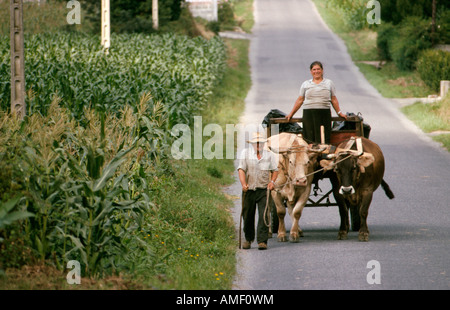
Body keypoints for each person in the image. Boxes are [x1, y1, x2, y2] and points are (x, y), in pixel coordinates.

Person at [286, 61, 347, 144]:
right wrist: (291, 114)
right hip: (309, 113)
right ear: (311, 72)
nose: (316, 71)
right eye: (314, 69)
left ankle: (323, 155)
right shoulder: (306, 84)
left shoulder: (329, 83)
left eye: (318, 69)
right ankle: (311, 155)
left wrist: (339, 113)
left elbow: (333, 99)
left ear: (322, 70)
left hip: (324, 113)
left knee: (324, 137)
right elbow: (300, 100)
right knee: (309, 137)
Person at [237, 132, 278, 250]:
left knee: (264, 215)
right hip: (249, 190)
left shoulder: (269, 155)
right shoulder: (245, 154)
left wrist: (272, 182)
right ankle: (248, 239)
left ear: (264, 144)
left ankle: (262, 241)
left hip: (263, 189)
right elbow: (241, 170)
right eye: (256, 143)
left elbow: (275, 170)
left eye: (260, 143)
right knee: (247, 215)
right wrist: (243, 184)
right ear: (252, 145)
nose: (258, 145)